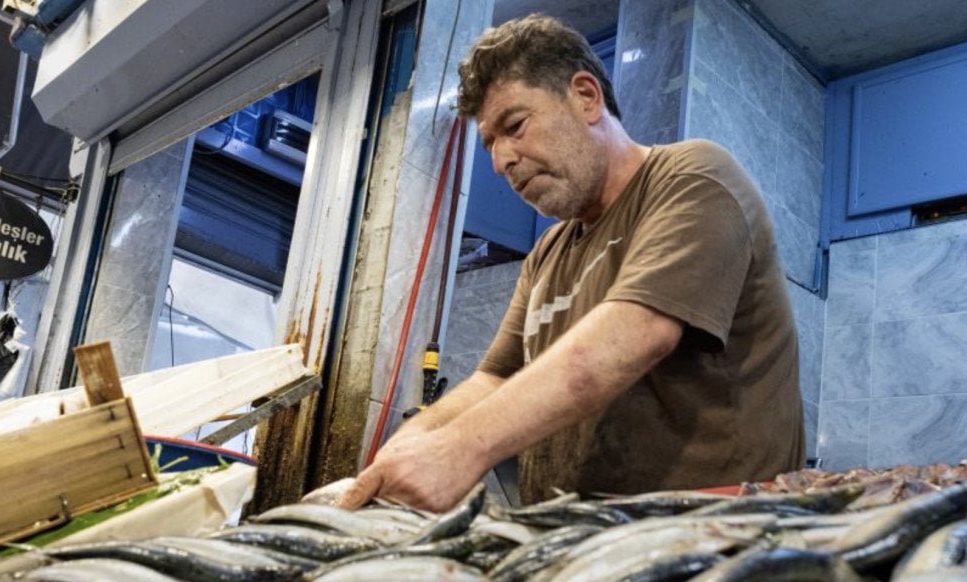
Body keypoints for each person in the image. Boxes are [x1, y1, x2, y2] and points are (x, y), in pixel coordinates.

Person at [339, 13, 803, 512]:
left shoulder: (694, 178)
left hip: (710, 536)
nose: (501, 161)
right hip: (573, 537)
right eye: (491, 144)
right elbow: (493, 379)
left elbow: (635, 332)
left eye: (514, 126)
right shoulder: (547, 253)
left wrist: (461, 449)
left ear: (585, 96)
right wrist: (398, 456)